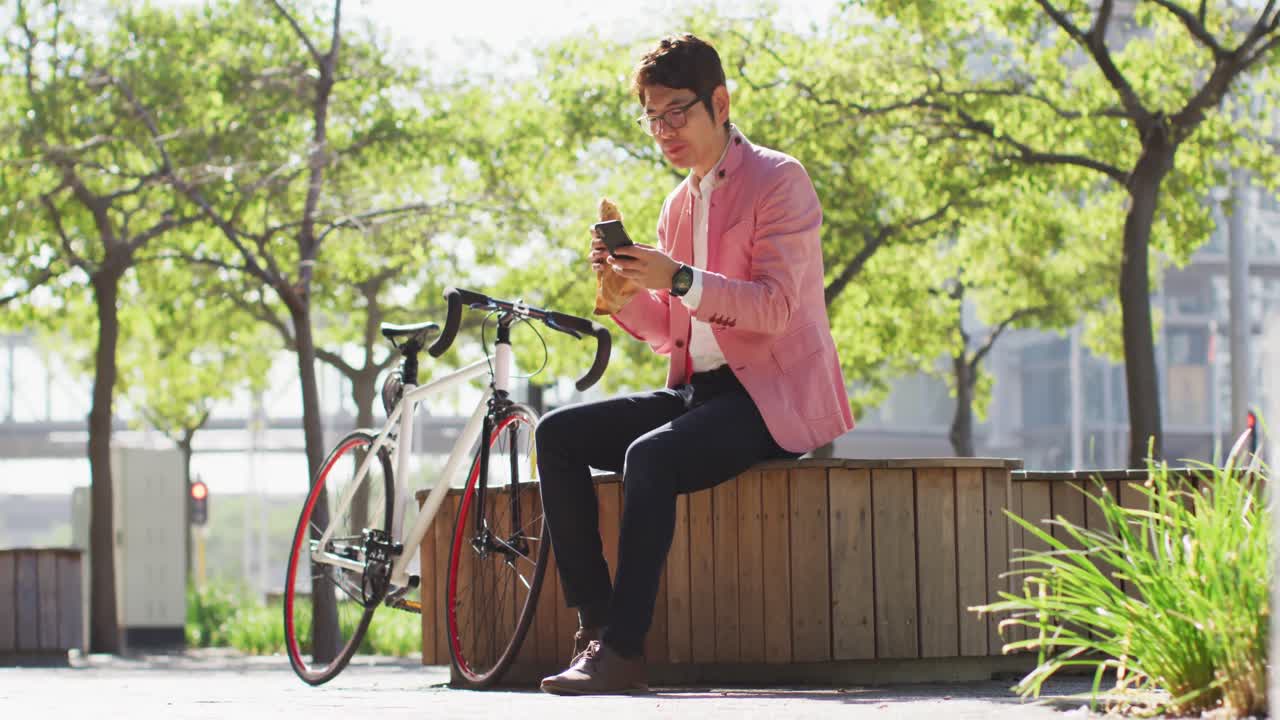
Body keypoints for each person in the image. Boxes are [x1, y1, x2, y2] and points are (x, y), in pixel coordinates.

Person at [535, 33, 853, 695]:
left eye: (676, 112)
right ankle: (598, 627)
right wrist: (624, 290)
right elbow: (671, 332)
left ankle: (624, 653)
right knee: (556, 434)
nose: (664, 131)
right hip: (698, 394)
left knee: (649, 456)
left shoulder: (780, 180)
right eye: (652, 117)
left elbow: (774, 308)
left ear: (721, 103)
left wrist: (677, 277)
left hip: (768, 400)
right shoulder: (677, 205)